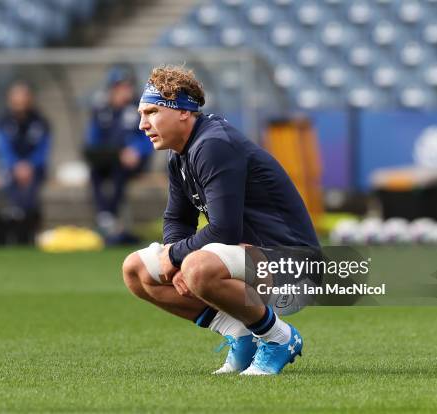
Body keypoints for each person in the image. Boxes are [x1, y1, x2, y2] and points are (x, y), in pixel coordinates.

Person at [122, 65, 319, 376]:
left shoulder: (213, 144)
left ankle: (278, 337)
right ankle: (241, 333)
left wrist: (176, 256)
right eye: (141, 114)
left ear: (184, 112)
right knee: (136, 270)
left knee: (196, 266)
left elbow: (225, 229)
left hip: (295, 268)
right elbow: (177, 218)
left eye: (152, 112)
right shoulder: (180, 154)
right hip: (251, 259)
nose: (143, 124)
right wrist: (174, 259)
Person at [84, 66, 153, 243]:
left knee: (119, 173)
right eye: (120, 87)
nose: (124, 91)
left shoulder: (140, 108)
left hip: (133, 161)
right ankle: (105, 216)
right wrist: (111, 153)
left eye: (127, 86)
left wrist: (135, 150)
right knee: (95, 173)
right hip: (109, 160)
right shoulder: (101, 111)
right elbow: (92, 140)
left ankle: (108, 217)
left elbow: (150, 137)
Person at [0, 82, 51, 241]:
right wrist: (16, 165)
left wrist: (30, 166)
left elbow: (43, 149)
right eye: (16, 97)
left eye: (24, 96)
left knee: (32, 191)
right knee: (9, 183)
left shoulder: (40, 122)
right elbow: (3, 149)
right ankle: (15, 227)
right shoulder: (3, 122)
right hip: (11, 168)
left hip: (35, 169)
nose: (20, 101)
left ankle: (30, 229)